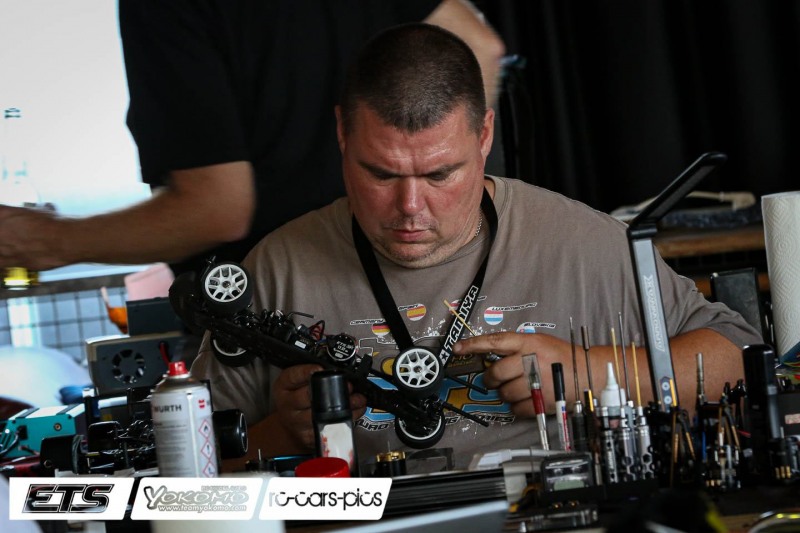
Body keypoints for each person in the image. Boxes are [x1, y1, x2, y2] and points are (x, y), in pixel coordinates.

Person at [190, 23, 762, 472]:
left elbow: (741, 361)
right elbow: (183, 483)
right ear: (341, 132)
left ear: (485, 135)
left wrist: (593, 373)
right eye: (381, 174)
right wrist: (281, 434)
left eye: (440, 174)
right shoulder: (278, 269)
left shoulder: (585, 244)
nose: (410, 206)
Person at [0, 0, 505, 278]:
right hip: (424, 290)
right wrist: (443, 205)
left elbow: (215, 210)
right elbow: (476, 42)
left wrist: (49, 242)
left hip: (275, 318)